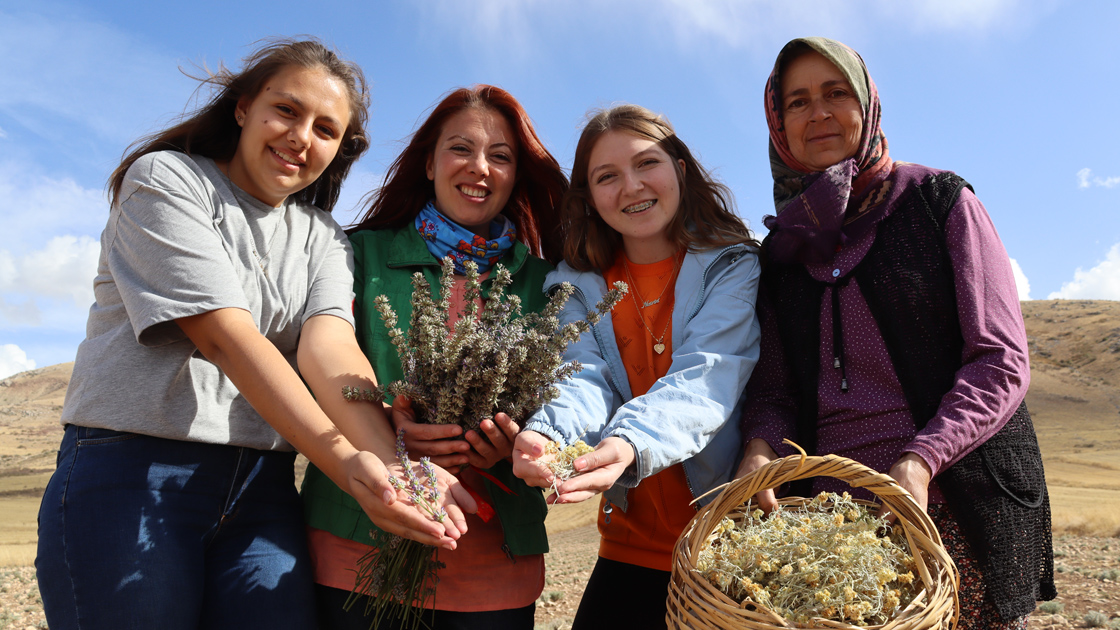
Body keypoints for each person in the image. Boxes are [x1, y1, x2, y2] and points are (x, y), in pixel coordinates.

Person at [35, 39, 474, 630]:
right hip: (129, 469)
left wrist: (394, 465)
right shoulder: (166, 181)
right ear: (243, 108)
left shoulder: (323, 237)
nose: (300, 137)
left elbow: (330, 351)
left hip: (261, 488)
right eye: (286, 111)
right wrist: (348, 464)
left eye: (325, 128)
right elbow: (226, 339)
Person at [736, 37, 1056, 629]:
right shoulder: (783, 253)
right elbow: (775, 390)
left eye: (836, 94)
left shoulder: (938, 202)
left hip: (951, 499)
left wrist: (920, 459)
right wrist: (759, 448)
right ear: (779, 123)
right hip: (832, 526)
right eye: (798, 102)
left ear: (867, 105)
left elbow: (998, 358)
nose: (819, 113)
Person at [301, 84, 569, 630]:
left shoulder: (549, 286)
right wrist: (387, 427)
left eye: (501, 156)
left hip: (493, 568)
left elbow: (575, 391)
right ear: (428, 162)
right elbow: (311, 368)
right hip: (357, 552)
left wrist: (515, 438)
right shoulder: (356, 254)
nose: (480, 168)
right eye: (460, 148)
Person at [512, 104, 761, 630]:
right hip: (627, 550)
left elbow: (708, 376)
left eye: (647, 163)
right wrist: (549, 433)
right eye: (607, 176)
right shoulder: (575, 285)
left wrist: (626, 443)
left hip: (724, 549)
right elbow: (581, 375)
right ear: (589, 198)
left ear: (681, 169)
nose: (631, 187)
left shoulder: (733, 265)